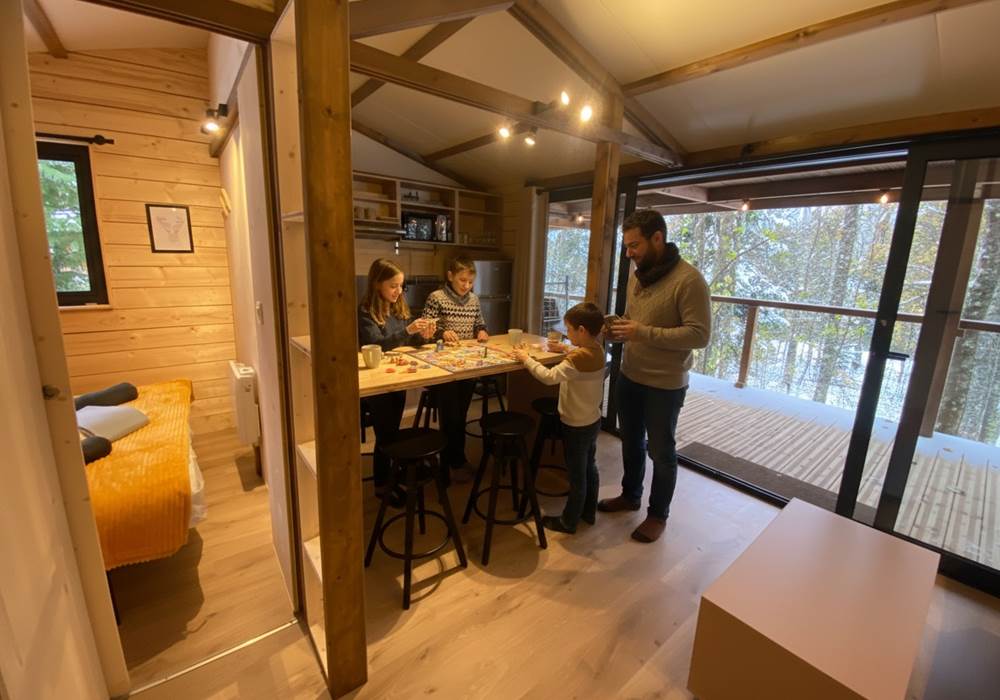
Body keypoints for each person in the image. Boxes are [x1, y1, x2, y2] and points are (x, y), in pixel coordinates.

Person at [600, 209, 711, 543]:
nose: (629, 253)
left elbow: (699, 335)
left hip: (665, 384)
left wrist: (641, 332)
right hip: (631, 374)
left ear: (658, 238)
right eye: (627, 246)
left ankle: (658, 515)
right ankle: (630, 495)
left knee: (662, 452)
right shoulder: (638, 274)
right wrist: (622, 329)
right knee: (630, 441)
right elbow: (637, 322)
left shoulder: (689, 280)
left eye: (634, 245)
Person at [512, 302, 606, 534]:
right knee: (589, 467)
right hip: (592, 419)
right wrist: (564, 349)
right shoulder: (597, 351)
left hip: (575, 423)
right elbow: (581, 355)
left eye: (569, 329)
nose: (567, 333)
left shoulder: (576, 361)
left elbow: (548, 376)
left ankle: (568, 521)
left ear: (581, 330)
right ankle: (588, 512)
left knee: (577, 475)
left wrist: (526, 359)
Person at [358, 258, 435, 505]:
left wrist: (423, 336)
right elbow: (377, 345)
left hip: (397, 377)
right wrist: (408, 331)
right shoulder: (365, 311)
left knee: (392, 431)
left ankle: (394, 471)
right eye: (393, 286)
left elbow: (408, 342)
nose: (398, 291)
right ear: (377, 283)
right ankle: (381, 485)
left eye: (401, 286)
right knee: (385, 434)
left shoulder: (399, 307)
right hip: (377, 380)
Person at [421, 256, 488, 477]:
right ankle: (452, 462)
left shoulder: (474, 300)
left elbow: (480, 322)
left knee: (461, 413)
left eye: (470, 282)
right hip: (443, 365)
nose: (466, 286)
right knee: (450, 416)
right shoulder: (436, 298)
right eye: (462, 280)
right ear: (450, 276)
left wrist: (481, 330)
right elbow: (426, 327)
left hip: (467, 365)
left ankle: (454, 458)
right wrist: (441, 332)